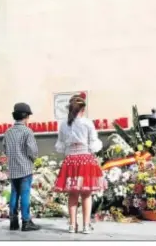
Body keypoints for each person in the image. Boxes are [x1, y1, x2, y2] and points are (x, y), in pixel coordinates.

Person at [54, 95, 105, 234]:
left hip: (71, 160)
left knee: (73, 194)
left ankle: (72, 225)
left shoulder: (64, 124)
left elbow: (61, 145)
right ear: (82, 109)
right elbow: (94, 144)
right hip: (85, 160)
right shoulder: (87, 123)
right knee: (86, 194)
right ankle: (86, 226)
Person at [2, 102, 41, 232]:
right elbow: (33, 151)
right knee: (25, 194)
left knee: (14, 194)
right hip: (25, 168)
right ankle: (26, 221)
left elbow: (5, 149)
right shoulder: (27, 131)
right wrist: (33, 159)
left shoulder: (8, 132)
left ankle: (13, 221)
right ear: (26, 116)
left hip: (13, 168)